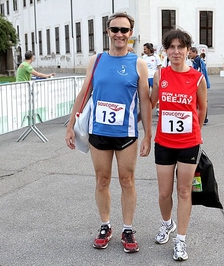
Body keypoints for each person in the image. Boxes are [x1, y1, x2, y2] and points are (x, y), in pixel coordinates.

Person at [65, 12, 152, 253]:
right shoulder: (96, 60)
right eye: (115, 29)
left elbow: (145, 101)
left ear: (130, 34)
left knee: (127, 181)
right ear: (108, 32)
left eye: (124, 30)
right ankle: (105, 225)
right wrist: (70, 125)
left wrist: (148, 135)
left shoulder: (138, 63)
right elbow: (84, 94)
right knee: (102, 180)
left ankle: (127, 228)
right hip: (99, 131)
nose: (119, 34)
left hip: (126, 134)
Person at [150, 29, 207, 261]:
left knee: (184, 191)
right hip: (164, 142)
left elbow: (202, 107)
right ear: (166, 50)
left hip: (188, 144)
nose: (175, 51)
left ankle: (181, 240)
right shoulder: (159, 75)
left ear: (187, 50)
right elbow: (151, 101)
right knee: (164, 193)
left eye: (180, 47)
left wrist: (196, 133)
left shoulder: (197, 78)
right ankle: (167, 223)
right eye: (171, 47)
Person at [188, 46, 210, 124]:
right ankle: (201, 117)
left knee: (202, 100)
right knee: (199, 100)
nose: (189, 54)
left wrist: (202, 83)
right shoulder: (195, 60)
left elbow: (201, 72)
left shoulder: (198, 60)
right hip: (198, 83)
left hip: (200, 83)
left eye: (190, 53)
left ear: (195, 53)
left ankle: (204, 118)